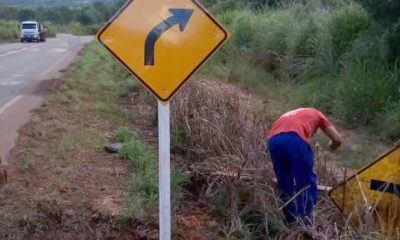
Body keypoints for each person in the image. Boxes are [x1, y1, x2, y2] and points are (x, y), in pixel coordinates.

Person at [267, 108, 342, 225]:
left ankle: (289, 221)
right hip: (294, 138)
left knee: (284, 182)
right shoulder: (318, 114)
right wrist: (332, 146)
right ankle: (305, 223)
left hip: (273, 140)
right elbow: (337, 139)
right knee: (306, 182)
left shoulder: (292, 114)